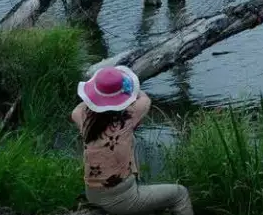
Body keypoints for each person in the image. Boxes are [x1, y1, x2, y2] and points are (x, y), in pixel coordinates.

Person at [72, 65, 193, 215]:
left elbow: (79, 108)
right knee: (180, 194)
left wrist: (95, 97)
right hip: (121, 198)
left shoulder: (84, 118)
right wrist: (129, 90)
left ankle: (137, 182)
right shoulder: (128, 117)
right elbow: (145, 99)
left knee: (131, 140)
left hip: (93, 193)